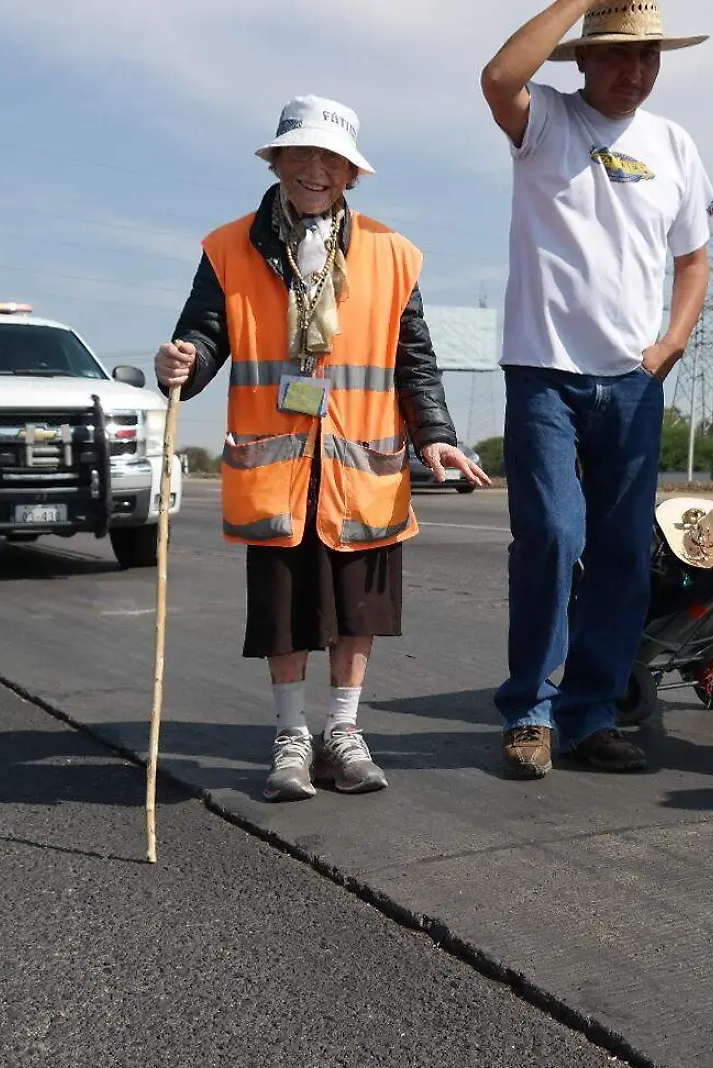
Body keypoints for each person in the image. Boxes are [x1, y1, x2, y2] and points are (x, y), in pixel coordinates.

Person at [156, 95, 490, 802]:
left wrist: (436, 436)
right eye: (300, 155)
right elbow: (206, 334)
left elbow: (414, 361)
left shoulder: (394, 256)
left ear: (352, 174)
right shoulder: (227, 249)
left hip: (362, 465)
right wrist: (184, 362)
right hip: (277, 466)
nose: (315, 171)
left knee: (356, 610)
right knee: (284, 611)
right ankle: (289, 739)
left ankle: (343, 732)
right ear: (276, 162)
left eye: (330, 159)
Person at [480, 0, 713, 779]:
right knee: (554, 535)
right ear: (582, 58)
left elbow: (694, 261)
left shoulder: (674, 144)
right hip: (544, 372)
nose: (636, 72)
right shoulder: (546, 122)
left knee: (622, 553)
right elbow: (498, 76)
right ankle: (529, 711)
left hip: (631, 382)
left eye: (649, 57)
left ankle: (591, 717)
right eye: (618, 55)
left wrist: (670, 344)